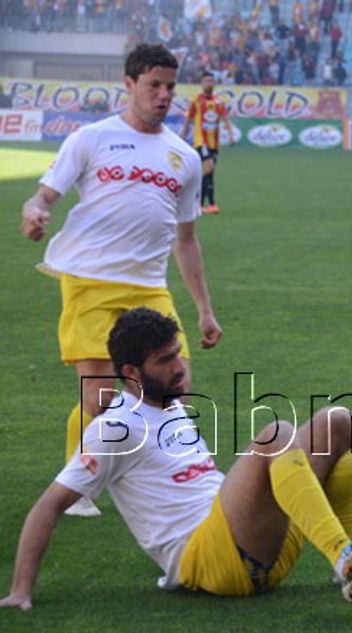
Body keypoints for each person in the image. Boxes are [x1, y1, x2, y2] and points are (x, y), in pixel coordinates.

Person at [0, 308, 352, 611]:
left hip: (253, 541)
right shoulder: (115, 428)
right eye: (165, 360)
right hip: (209, 562)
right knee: (276, 435)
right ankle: (343, 555)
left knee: (340, 421)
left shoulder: (168, 402)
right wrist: (21, 590)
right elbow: (48, 506)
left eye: (177, 353)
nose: (180, 367)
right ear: (131, 372)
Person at [20, 43, 224, 518]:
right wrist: (35, 211)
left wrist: (205, 311)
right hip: (89, 280)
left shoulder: (183, 157)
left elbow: (187, 241)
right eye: (154, 84)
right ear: (129, 84)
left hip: (150, 288)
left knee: (176, 389)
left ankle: (156, 474)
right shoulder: (91, 138)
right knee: (100, 398)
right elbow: (44, 196)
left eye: (171, 86)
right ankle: (79, 478)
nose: (164, 94)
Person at [180, 71, 236, 215]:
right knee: (209, 167)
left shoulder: (219, 102)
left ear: (215, 83)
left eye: (211, 81)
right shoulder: (195, 101)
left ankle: (199, 205)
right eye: (206, 81)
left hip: (214, 143)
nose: (208, 83)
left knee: (208, 173)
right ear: (201, 84)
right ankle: (211, 204)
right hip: (200, 140)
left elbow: (226, 119)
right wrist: (181, 139)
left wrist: (231, 135)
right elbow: (187, 121)